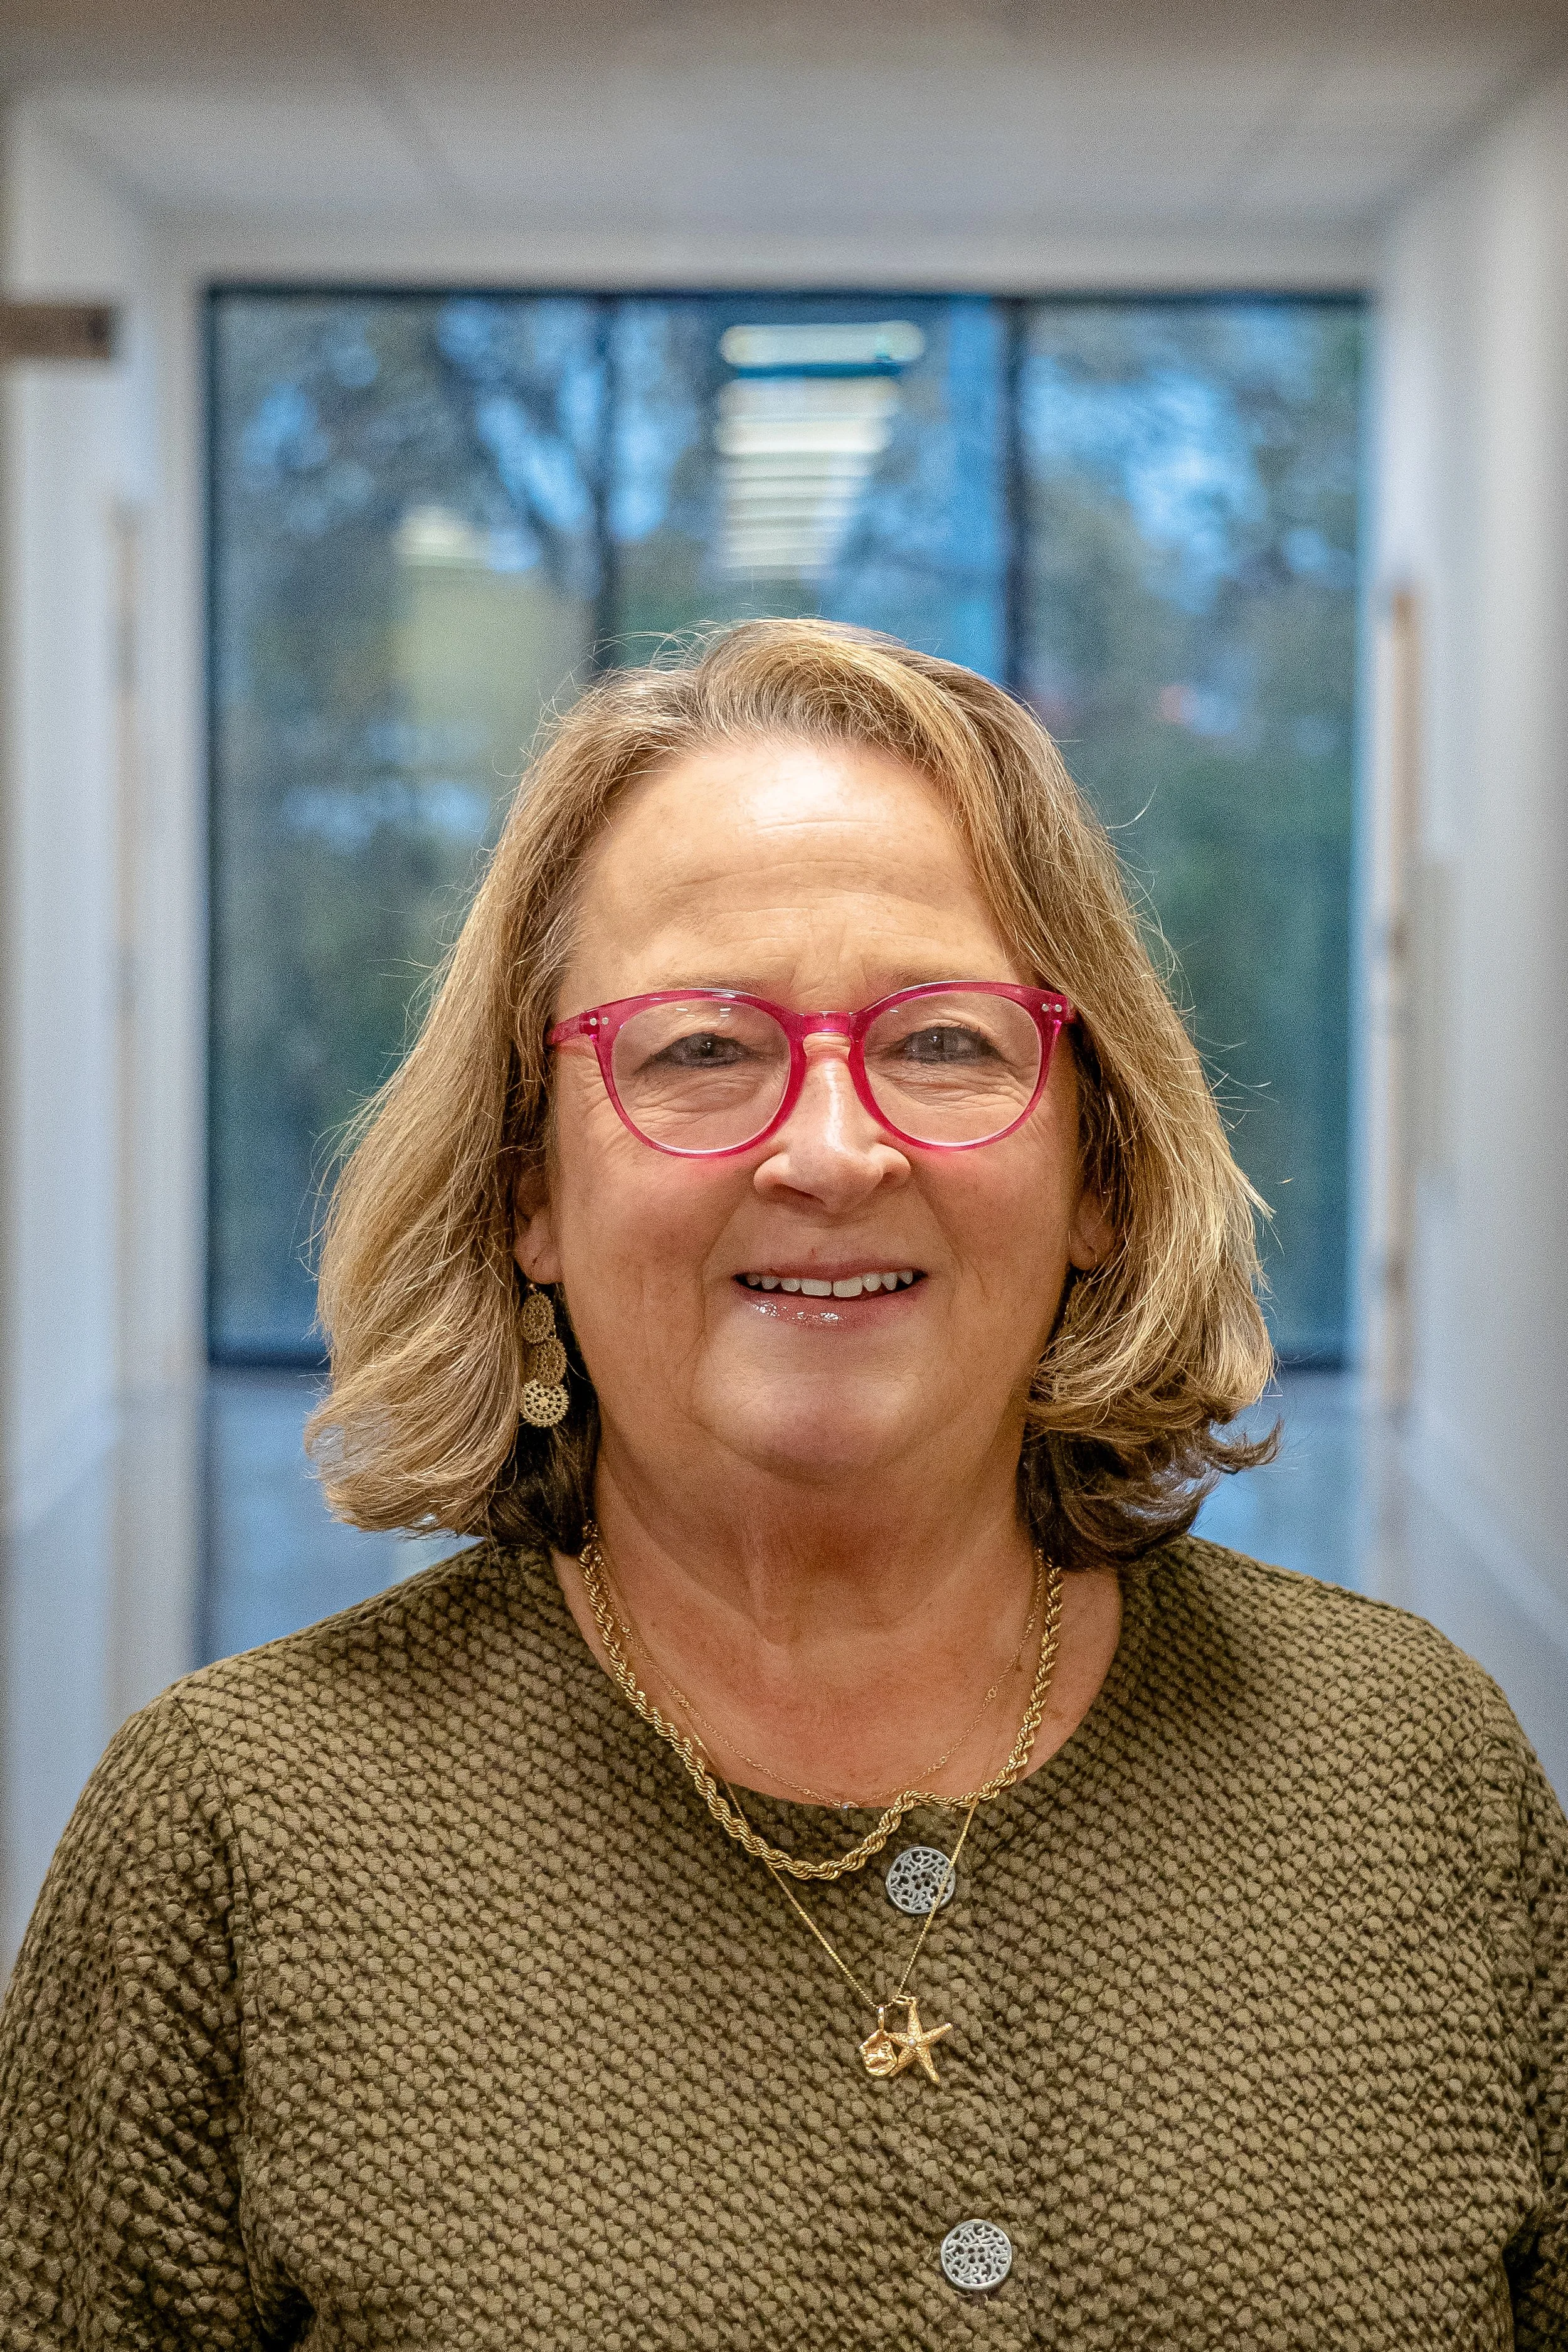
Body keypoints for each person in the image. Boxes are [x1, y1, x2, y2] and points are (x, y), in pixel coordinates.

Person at [0, 620, 1562, 2348]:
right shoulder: (235, 1842)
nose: (829, 1148)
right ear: (529, 1185)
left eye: (946, 1043)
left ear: (1099, 1166)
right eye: (698, 1052)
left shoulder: (1408, 1768)